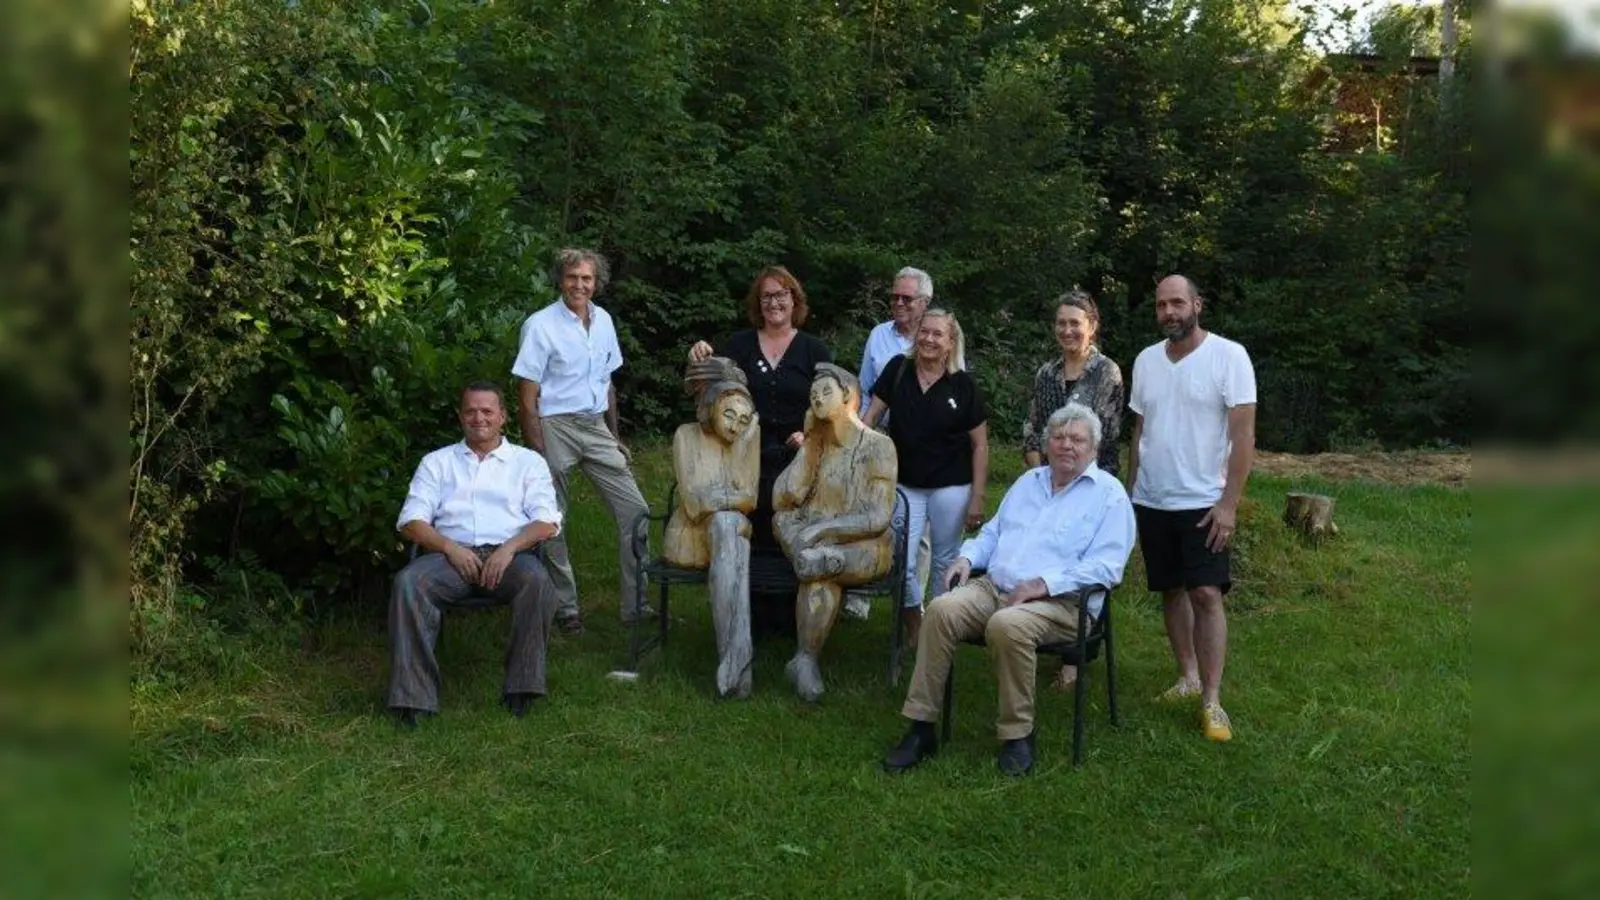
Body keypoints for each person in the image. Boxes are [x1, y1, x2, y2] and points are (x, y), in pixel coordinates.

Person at [880, 403, 1134, 776]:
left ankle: (1018, 735)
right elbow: (993, 533)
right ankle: (921, 727)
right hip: (995, 587)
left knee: (1007, 625)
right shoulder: (1028, 482)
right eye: (1059, 437)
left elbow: (1108, 567)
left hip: (1063, 604)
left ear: (1094, 448)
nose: (1067, 445)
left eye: (1077, 439)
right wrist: (967, 558)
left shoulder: (1109, 496)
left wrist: (1042, 584)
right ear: (1047, 443)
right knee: (940, 610)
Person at [1127, 274, 1257, 743]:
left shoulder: (1229, 356)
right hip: (1153, 498)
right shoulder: (1145, 361)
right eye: (1162, 305)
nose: (1169, 313)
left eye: (1177, 303)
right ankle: (1187, 678)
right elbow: (1140, 432)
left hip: (1204, 501)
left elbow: (1243, 436)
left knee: (1207, 594)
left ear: (1197, 304)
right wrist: (1131, 491)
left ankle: (1213, 700)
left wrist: (1229, 504)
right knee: (1171, 591)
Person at [388, 382, 562, 728]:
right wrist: (450, 548)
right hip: (449, 558)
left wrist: (508, 549)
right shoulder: (437, 462)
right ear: (460, 417)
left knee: (538, 582)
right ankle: (414, 698)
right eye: (470, 411)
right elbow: (410, 521)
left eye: (487, 411)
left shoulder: (528, 463)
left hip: (510, 558)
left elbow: (547, 521)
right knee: (409, 583)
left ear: (503, 417)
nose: (478, 418)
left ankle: (521, 689)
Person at [512, 247, 652, 636]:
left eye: (586, 279)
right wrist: (537, 448)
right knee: (551, 520)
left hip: (594, 426)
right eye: (572, 277)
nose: (579, 285)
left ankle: (636, 606)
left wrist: (615, 435)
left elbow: (607, 382)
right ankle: (565, 608)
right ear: (560, 280)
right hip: (554, 424)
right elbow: (526, 395)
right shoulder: (539, 325)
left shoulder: (604, 320)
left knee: (636, 512)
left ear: (596, 282)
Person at [687, 266, 833, 632]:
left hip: (798, 455)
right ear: (758, 302)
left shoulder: (814, 348)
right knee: (745, 520)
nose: (774, 302)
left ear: (794, 300)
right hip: (744, 453)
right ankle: (744, 608)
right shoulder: (738, 345)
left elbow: (830, 406)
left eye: (782, 294)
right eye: (767, 296)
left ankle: (792, 611)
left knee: (790, 521)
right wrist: (699, 354)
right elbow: (710, 391)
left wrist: (808, 434)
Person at [862, 308, 989, 646]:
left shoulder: (963, 385)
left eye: (938, 335)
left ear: (950, 343)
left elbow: (979, 445)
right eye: (925, 332)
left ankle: (940, 628)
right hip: (904, 484)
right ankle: (914, 622)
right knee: (898, 559)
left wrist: (977, 496)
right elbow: (870, 418)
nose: (929, 339)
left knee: (945, 560)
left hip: (952, 486)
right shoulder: (898, 370)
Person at [771, 364, 897, 702]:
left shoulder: (877, 446)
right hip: (814, 542)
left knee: (821, 562)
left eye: (825, 392)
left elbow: (878, 515)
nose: (817, 399)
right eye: (813, 395)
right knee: (810, 556)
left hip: (863, 544)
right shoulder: (818, 444)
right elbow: (783, 499)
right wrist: (808, 445)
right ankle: (805, 660)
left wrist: (823, 529)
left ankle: (805, 660)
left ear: (849, 397)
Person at [1020, 289, 1124, 691]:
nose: (1067, 330)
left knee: (1081, 562)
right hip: (1047, 482)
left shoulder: (1106, 371)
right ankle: (1033, 629)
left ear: (1091, 326)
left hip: (1092, 483)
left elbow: (1101, 435)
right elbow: (1033, 429)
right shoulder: (1046, 373)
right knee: (1043, 555)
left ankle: (1074, 659)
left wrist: (1069, 480)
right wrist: (1040, 475)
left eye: (1075, 323)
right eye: (1061, 323)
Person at [663, 358, 761, 699]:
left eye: (744, 419)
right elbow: (692, 502)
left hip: (728, 533)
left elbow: (750, 497)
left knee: (728, 526)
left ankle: (733, 660)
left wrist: (720, 499)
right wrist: (728, 499)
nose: (736, 426)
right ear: (712, 406)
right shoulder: (686, 435)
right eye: (729, 415)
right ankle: (737, 659)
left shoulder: (748, 437)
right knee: (729, 526)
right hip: (690, 537)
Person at [848, 266, 934, 621]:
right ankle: (858, 594)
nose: (898, 303)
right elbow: (865, 388)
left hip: (923, 439)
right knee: (866, 511)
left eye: (906, 298)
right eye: (894, 296)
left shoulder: (937, 336)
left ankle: (913, 603)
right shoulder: (878, 335)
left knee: (918, 519)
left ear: (925, 302)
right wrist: (859, 435)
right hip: (879, 434)